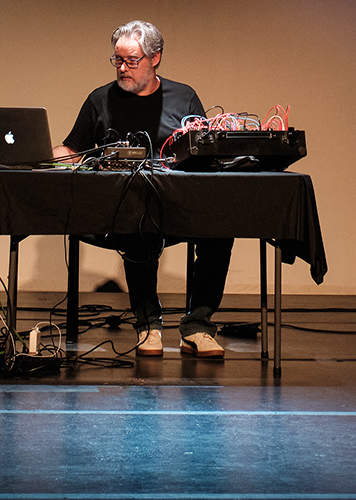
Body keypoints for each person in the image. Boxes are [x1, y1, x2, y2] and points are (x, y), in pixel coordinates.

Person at [52, 20, 233, 360]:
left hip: (178, 204)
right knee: (138, 220)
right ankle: (148, 325)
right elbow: (73, 149)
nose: (123, 68)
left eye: (131, 60)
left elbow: (202, 152)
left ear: (155, 58)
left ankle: (197, 327)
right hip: (124, 208)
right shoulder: (100, 99)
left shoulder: (184, 97)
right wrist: (36, 156)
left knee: (220, 230)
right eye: (117, 60)